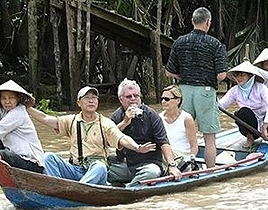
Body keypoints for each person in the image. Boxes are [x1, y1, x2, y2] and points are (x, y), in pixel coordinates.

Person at [27, 86, 155, 185]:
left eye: (94, 98)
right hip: (75, 168)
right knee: (48, 156)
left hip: (94, 171)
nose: (91, 101)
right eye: (87, 98)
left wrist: (137, 147)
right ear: (79, 103)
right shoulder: (71, 120)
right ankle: (56, 187)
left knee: (100, 166)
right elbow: (45, 119)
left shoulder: (104, 122)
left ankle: (78, 190)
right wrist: (27, 107)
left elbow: (122, 138)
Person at [166, 7, 228, 168]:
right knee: (209, 138)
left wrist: (184, 77)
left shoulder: (180, 42)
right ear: (208, 23)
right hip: (206, 92)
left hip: (183, 92)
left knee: (183, 132)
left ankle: (178, 166)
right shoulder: (214, 44)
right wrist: (207, 78)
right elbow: (222, 75)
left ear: (193, 21)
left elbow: (169, 71)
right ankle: (210, 172)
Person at [108, 79, 182, 186]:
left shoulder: (151, 115)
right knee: (101, 169)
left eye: (136, 96)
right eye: (129, 97)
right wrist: (125, 122)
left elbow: (164, 142)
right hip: (124, 165)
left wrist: (172, 165)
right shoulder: (116, 116)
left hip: (148, 164)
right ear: (121, 99)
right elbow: (107, 141)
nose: (133, 99)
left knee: (152, 172)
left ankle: (127, 189)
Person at [218, 61, 268, 148]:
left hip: (267, 123)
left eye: (242, 75)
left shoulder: (261, 88)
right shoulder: (234, 90)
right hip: (251, 126)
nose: (239, 78)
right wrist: (212, 100)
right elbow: (221, 105)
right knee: (242, 112)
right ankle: (250, 138)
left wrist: (265, 127)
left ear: (250, 76)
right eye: (237, 75)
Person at [159, 85, 199, 171]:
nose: (163, 101)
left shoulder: (186, 118)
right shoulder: (159, 118)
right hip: (166, 154)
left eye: (167, 99)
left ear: (178, 100)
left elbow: (194, 145)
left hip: (181, 156)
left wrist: (191, 159)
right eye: (162, 99)